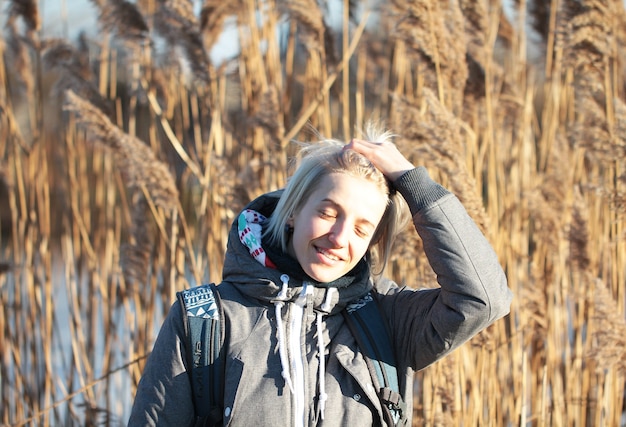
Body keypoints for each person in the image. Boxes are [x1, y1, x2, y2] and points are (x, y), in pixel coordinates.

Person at [128, 122, 513, 426]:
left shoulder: (386, 318)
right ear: (293, 211)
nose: (339, 237)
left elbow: (482, 298)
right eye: (328, 212)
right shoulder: (206, 321)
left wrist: (413, 181)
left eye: (362, 229)